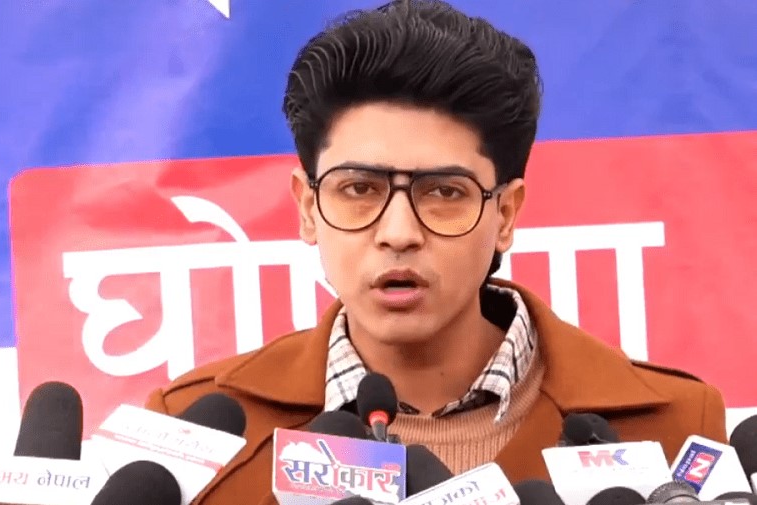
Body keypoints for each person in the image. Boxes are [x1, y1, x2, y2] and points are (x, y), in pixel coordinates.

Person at [145, 1, 728, 503]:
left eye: (445, 192)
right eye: (359, 188)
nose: (398, 232)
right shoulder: (195, 439)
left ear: (505, 214)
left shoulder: (675, 427)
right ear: (307, 208)